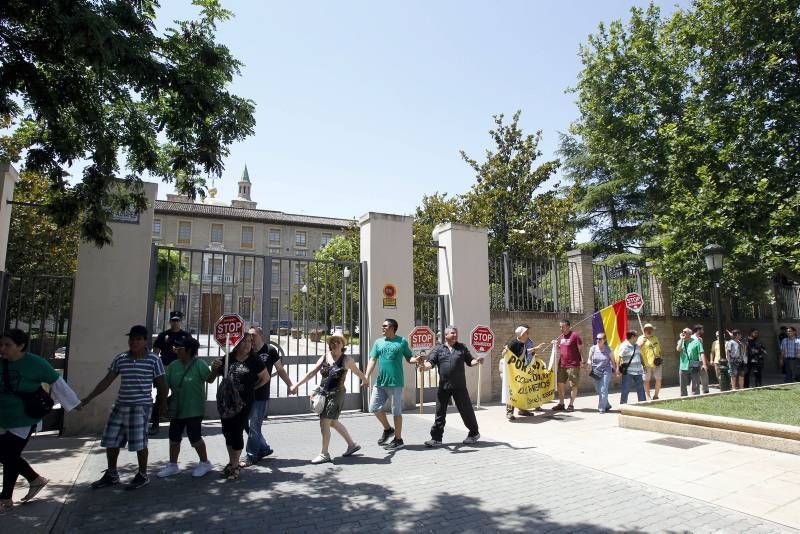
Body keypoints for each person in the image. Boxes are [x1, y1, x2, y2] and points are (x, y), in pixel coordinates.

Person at [1, 329, 80, 512]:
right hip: (3, 417)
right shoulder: (2, 363)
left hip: (24, 418)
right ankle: (35, 479)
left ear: (20, 346)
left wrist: (74, 403)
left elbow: (57, 383)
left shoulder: (36, 364)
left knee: (10, 455)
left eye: (7, 345)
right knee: (6, 455)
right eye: (1, 344)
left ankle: (5, 498)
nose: (3, 348)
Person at [82, 325, 167, 490]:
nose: (133, 342)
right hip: (121, 405)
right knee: (111, 440)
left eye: (138, 339)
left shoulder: (153, 360)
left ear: (145, 341)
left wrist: (162, 407)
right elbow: (107, 380)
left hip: (140, 407)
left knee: (139, 442)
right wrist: (88, 398)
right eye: (131, 339)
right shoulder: (121, 358)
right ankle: (112, 474)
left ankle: (142, 474)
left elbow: (163, 386)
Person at [290, 330, 368, 464]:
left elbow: (357, 372)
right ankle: (352, 445)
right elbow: (312, 372)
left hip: (336, 394)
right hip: (323, 393)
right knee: (332, 422)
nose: (335, 344)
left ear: (342, 344)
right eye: (332, 342)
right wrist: (296, 384)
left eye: (338, 342)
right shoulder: (326, 356)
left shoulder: (346, 359)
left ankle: (324, 453)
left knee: (324, 421)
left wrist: (365, 380)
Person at [208, 332, 268, 480]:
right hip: (227, 402)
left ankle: (235, 466)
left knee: (237, 430)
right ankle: (231, 461)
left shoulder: (255, 360)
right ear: (236, 343)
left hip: (244, 402)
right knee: (227, 430)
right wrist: (214, 368)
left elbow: (265, 378)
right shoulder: (228, 358)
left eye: (250, 341)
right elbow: (210, 380)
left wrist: (252, 389)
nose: (248, 344)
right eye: (244, 341)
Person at [156, 336, 213, 478]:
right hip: (177, 409)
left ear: (188, 350)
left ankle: (205, 462)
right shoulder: (173, 366)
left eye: (179, 348)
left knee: (195, 437)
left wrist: (217, 369)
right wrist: (163, 403)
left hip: (194, 409)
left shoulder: (199, 365)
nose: (176, 350)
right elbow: (165, 386)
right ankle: (173, 465)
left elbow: (210, 380)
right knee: (174, 437)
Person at [419, 326, 482, 446]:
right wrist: (424, 367)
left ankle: (474, 433)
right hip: (444, 386)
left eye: (456, 333)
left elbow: (470, 361)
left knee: (466, 411)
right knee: (439, 412)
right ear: (445, 335)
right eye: (452, 333)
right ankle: (436, 438)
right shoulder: (438, 349)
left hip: (459, 386)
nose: (455, 335)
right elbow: (430, 362)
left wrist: (477, 361)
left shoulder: (461, 348)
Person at [244, 326, 293, 467]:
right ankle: (264, 448)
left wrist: (290, 384)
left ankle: (251, 455)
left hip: (261, 394)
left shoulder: (270, 351)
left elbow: (280, 369)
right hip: (247, 394)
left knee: (254, 425)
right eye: (249, 335)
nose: (251, 338)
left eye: (253, 335)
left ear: (260, 335)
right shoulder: (248, 350)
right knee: (247, 425)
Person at [364, 318, 414, 450]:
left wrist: (417, 359)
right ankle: (388, 429)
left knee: (396, 411)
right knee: (373, 407)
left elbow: (409, 358)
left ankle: (398, 440)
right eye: (383, 326)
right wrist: (366, 376)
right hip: (380, 382)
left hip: (396, 383)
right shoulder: (378, 342)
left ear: (392, 328)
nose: (382, 328)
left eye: (385, 326)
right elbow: (372, 359)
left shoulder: (401, 341)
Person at [150, 311, 190, 436]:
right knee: (161, 394)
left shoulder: (186, 336)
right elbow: (155, 354)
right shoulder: (163, 335)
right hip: (165, 368)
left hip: (180, 368)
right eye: (173, 320)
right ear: (170, 321)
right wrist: (153, 370)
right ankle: (155, 423)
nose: (175, 322)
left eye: (177, 320)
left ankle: (178, 420)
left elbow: (192, 353)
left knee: (181, 395)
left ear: (181, 321)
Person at [502, 325, 547, 421]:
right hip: (513, 372)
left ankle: (522, 409)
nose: (528, 334)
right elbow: (505, 353)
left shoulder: (523, 343)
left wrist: (536, 348)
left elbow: (525, 352)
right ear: (522, 334)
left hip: (521, 371)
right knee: (512, 391)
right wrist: (505, 351)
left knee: (522, 390)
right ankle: (509, 412)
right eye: (526, 333)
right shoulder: (513, 343)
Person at [552, 319, 583, 412]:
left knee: (573, 385)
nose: (561, 328)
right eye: (560, 327)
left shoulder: (575, 336)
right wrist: (555, 345)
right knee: (560, 384)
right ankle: (561, 403)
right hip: (562, 364)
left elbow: (580, 349)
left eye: (563, 326)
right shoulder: (561, 337)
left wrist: (582, 360)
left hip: (573, 365)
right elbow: (561, 348)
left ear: (568, 326)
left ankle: (571, 405)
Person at [588, 333, 616, 413]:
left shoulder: (608, 349)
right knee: (598, 389)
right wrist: (589, 364)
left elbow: (613, 361)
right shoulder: (593, 348)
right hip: (596, 371)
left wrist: (616, 370)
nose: (598, 340)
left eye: (600, 339)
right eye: (597, 338)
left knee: (603, 389)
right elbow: (589, 359)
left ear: (604, 340)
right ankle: (607, 404)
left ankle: (601, 408)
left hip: (606, 371)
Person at [619, 330, 645, 404]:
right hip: (628, 371)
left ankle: (643, 404)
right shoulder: (624, 345)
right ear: (633, 337)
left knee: (641, 389)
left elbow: (639, 355)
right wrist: (618, 368)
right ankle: (623, 405)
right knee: (626, 389)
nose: (637, 337)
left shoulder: (636, 345)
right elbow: (619, 357)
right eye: (637, 336)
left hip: (638, 370)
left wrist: (644, 365)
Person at [637, 323, 663, 400]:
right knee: (646, 380)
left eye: (650, 329)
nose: (649, 331)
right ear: (644, 330)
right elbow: (636, 348)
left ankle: (656, 395)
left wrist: (660, 357)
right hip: (646, 363)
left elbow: (659, 349)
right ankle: (648, 396)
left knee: (658, 379)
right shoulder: (641, 338)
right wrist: (642, 342)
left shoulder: (655, 338)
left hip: (657, 363)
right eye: (647, 329)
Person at [677, 327, 700, 397]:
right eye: (683, 331)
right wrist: (681, 339)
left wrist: (702, 363)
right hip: (683, 365)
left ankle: (695, 395)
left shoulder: (695, 342)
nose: (683, 333)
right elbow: (678, 349)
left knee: (695, 381)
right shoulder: (680, 341)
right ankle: (683, 396)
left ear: (690, 334)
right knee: (683, 383)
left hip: (694, 364)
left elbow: (700, 353)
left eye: (685, 332)